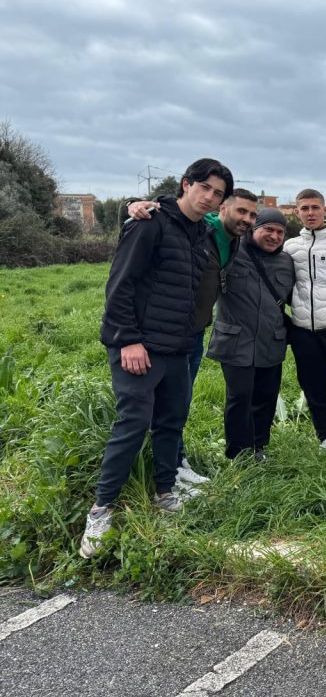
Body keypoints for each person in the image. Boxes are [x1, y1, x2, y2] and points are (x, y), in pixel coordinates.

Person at [81, 158, 233, 558]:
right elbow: (121, 283)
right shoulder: (150, 223)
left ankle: (165, 493)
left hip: (178, 345)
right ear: (187, 184)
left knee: (171, 421)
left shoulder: (200, 232)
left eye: (218, 194)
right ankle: (101, 509)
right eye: (206, 189)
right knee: (132, 423)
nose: (210, 198)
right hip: (139, 347)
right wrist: (128, 340)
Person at [127, 188, 259, 492]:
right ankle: (164, 471)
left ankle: (176, 463)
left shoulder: (236, 239)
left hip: (194, 332)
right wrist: (132, 206)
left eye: (252, 215)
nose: (247, 219)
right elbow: (165, 216)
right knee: (162, 405)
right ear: (223, 208)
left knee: (179, 404)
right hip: (164, 331)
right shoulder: (202, 228)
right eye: (241, 211)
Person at [206, 208, 295, 460]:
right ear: (254, 229)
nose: (274, 236)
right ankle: (237, 452)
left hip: (271, 340)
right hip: (235, 341)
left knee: (266, 397)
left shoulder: (287, 262)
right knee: (240, 397)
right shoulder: (232, 252)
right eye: (268, 229)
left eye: (280, 232)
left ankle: (258, 447)